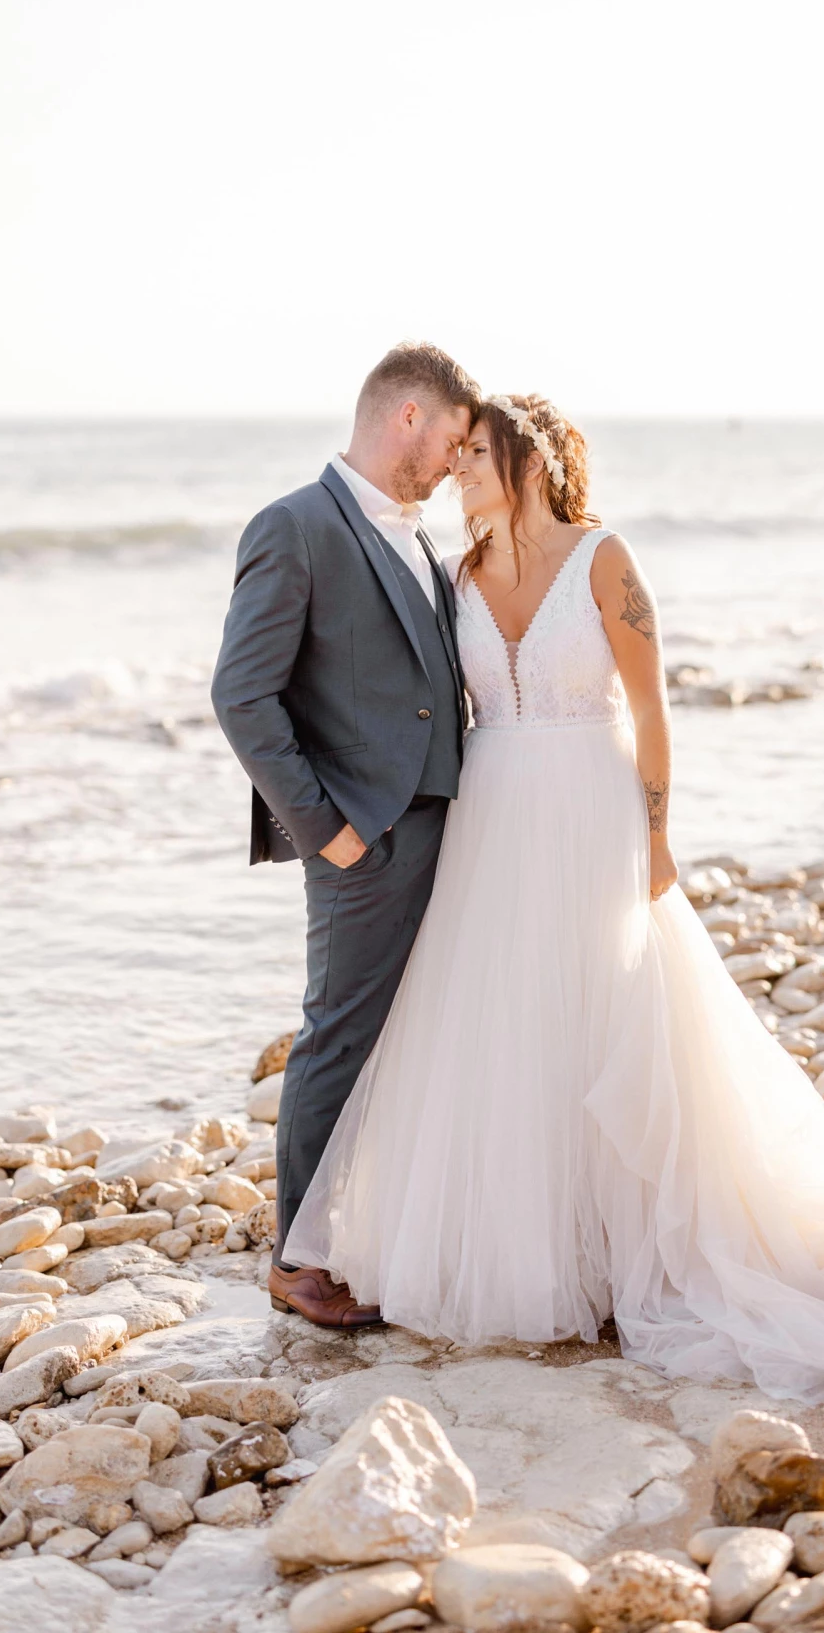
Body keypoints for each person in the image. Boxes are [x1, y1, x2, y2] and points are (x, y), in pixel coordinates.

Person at [284, 393, 824, 1400]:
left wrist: (658, 836)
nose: (459, 470)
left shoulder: (604, 559)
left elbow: (652, 710)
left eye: (478, 453)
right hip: (492, 820)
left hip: (593, 810)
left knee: (613, 1011)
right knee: (510, 1025)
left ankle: (632, 1248)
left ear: (532, 464)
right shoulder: (457, 575)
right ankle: (548, 1254)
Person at [211, 341, 480, 1324]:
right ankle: (297, 1261)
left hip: (445, 824)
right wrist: (324, 830)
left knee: (415, 1036)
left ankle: (371, 1232)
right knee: (339, 1037)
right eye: (453, 439)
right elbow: (243, 696)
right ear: (409, 415)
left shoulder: (420, 540)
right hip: (364, 838)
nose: (456, 461)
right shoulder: (295, 526)